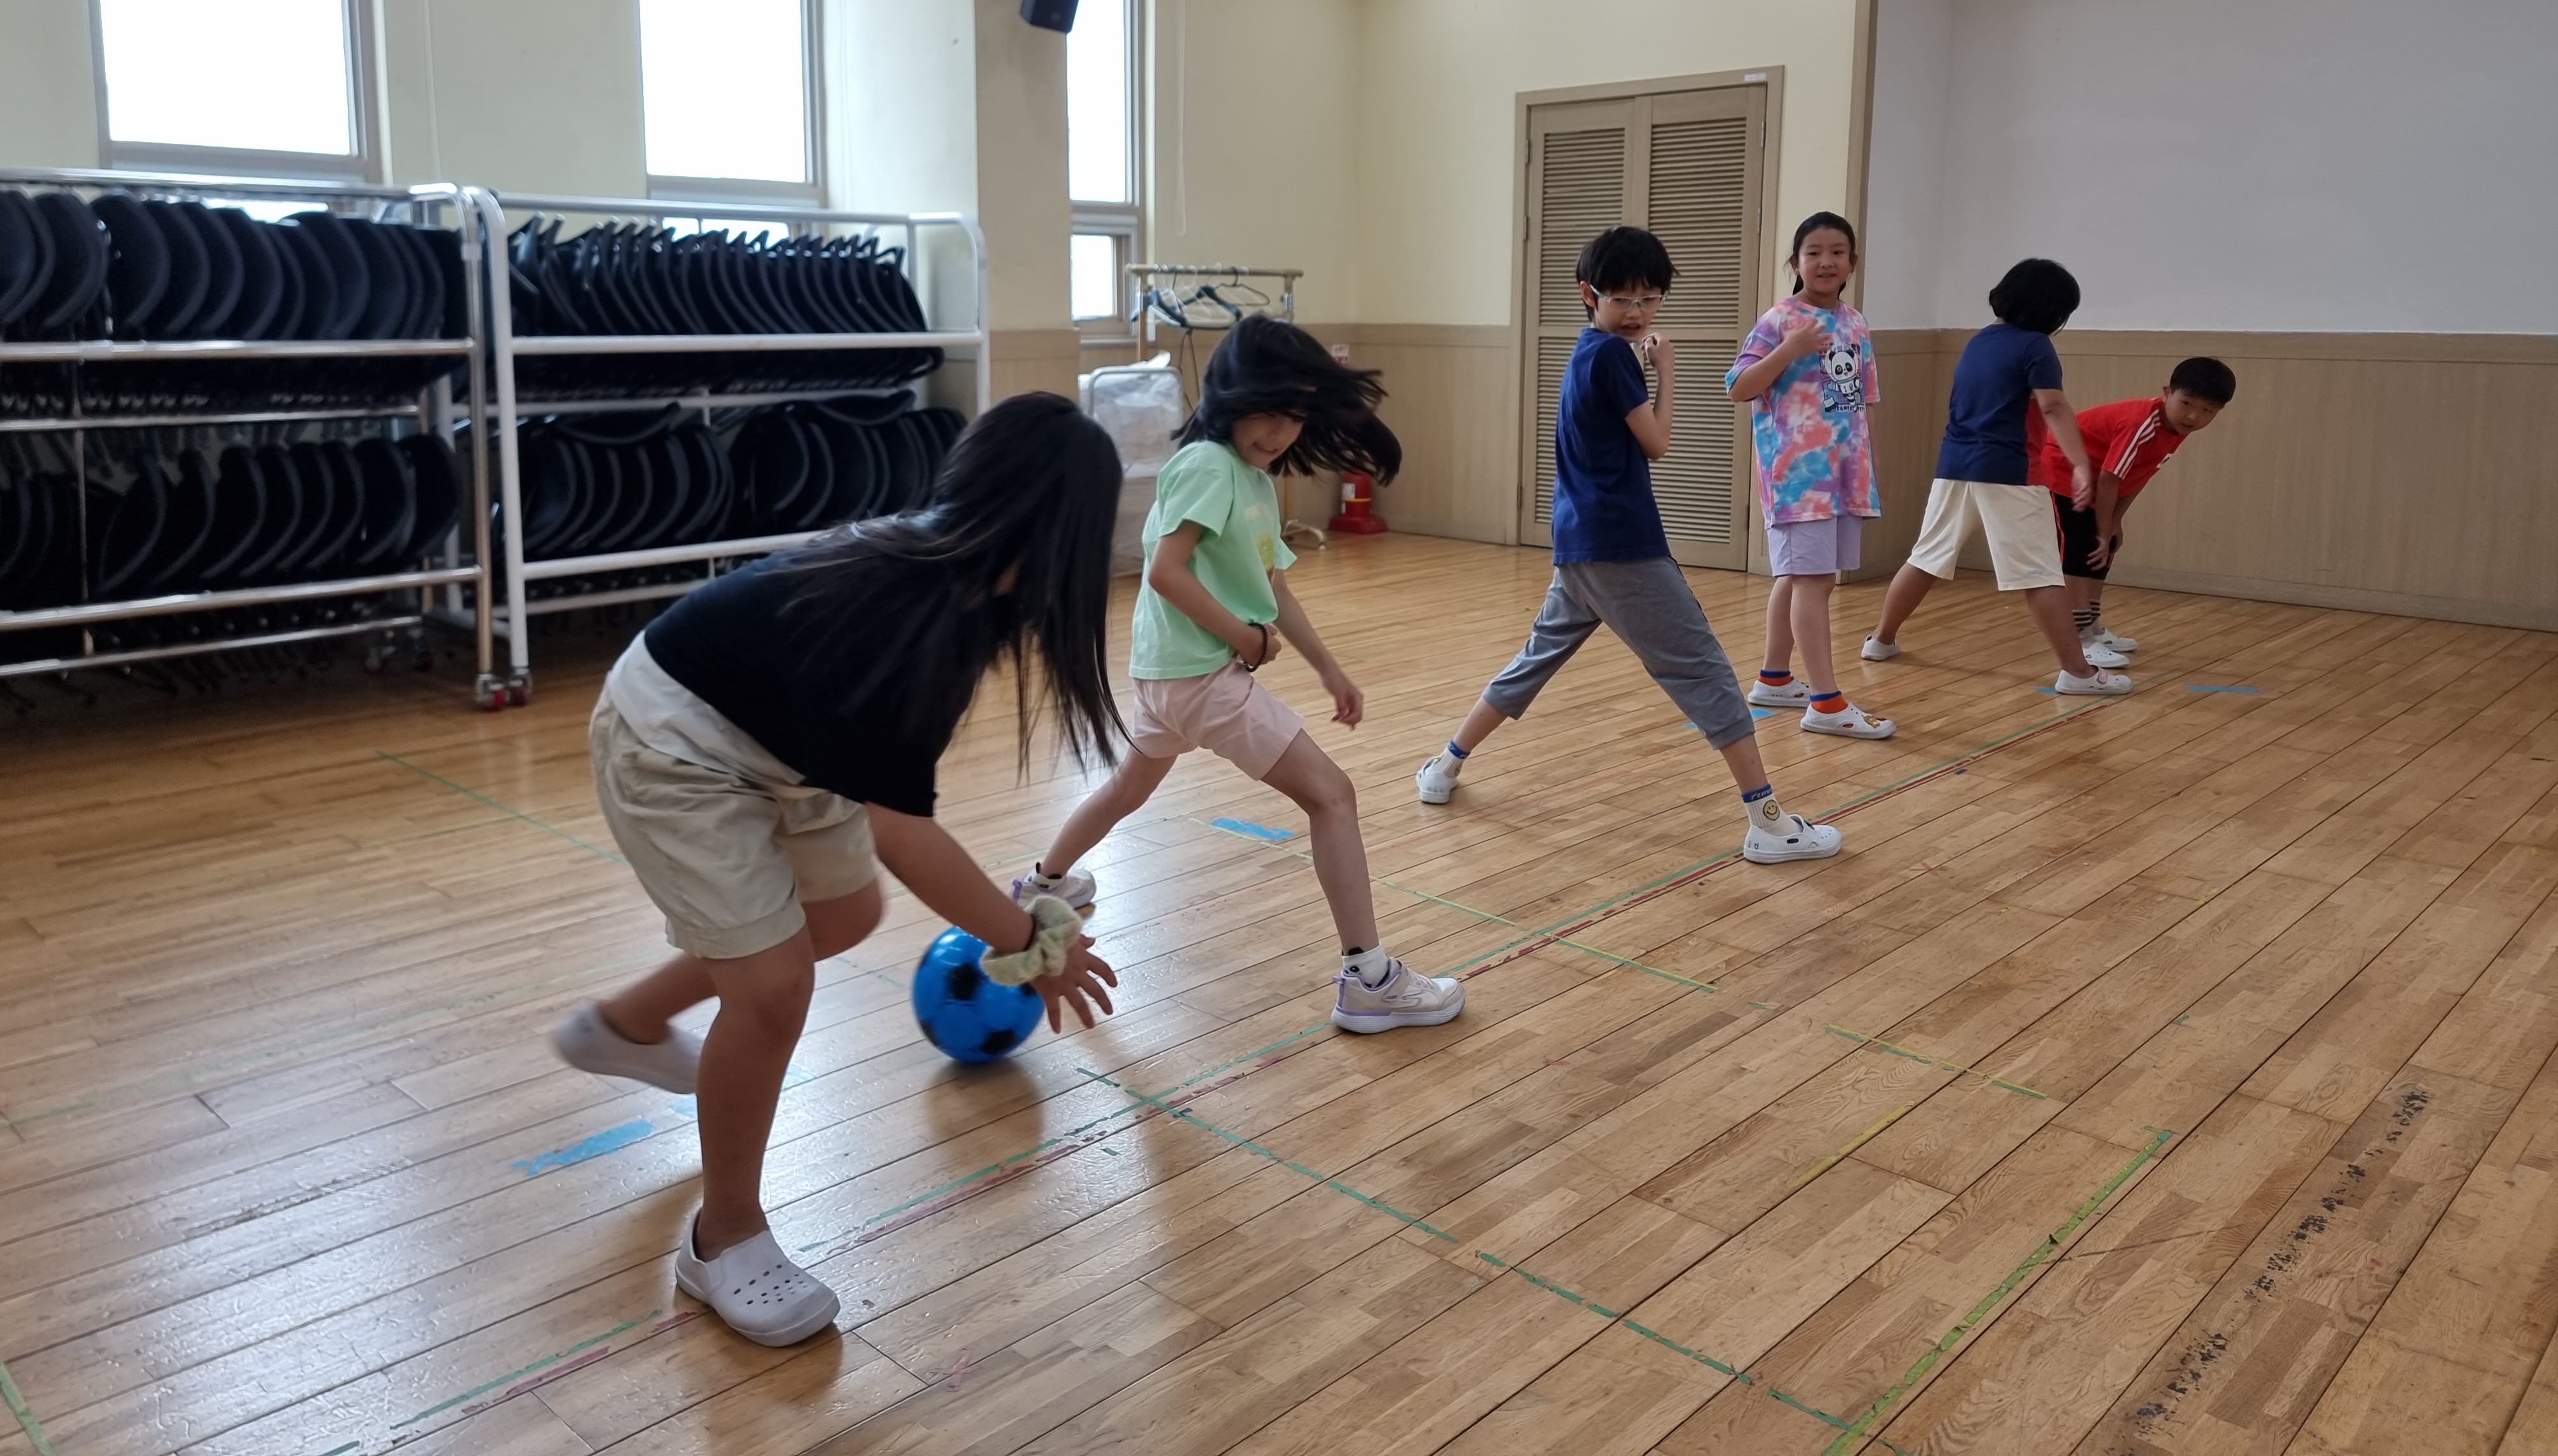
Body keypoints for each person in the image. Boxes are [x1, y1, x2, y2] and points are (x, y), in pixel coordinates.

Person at [550, 394, 1125, 1348]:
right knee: (773, 987)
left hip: (777, 744)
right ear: (1063, 534)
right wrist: (1033, 942)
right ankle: (721, 1240)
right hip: (674, 742)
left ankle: (625, 1024)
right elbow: (905, 834)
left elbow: (889, 807)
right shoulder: (906, 605)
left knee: (846, 913)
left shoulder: (968, 597)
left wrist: (1027, 934)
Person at [1011, 315, 1467, 1035]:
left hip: (1168, 678)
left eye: (1296, 416)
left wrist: (1329, 670)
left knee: (1128, 787)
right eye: (1269, 410)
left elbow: (1272, 586)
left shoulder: (1251, 478)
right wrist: (1245, 639)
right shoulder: (1207, 465)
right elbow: (1165, 572)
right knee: (1333, 797)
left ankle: (1041, 884)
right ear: (1231, 395)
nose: (1281, 431)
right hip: (1200, 679)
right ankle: (1370, 978)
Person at [1416, 226, 1840, 865]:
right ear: (1589, 294)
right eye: (1622, 299)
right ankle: (1770, 823)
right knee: (1704, 671)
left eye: (1649, 298)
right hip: (1622, 547)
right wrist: (1666, 371)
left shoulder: (1585, 351)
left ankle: (1444, 766)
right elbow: (1657, 443)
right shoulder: (1615, 357)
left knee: (1534, 659)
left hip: (1579, 544)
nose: (1637, 312)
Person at [1862, 258, 2131, 695]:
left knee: (1926, 557)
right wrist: (2081, 463)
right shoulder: (2036, 346)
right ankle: (2078, 673)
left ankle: (1881, 640)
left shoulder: (1978, 342)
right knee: (2041, 574)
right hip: (2010, 472)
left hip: (1954, 467)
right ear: (2053, 311)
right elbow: (2053, 406)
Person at [1727, 210, 1893, 739]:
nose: (1826, 262)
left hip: (1844, 477)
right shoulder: (1781, 319)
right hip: (1798, 479)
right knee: (1814, 582)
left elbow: (1863, 401)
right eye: (1814, 252)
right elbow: (1738, 386)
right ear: (1795, 262)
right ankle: (1826, 703)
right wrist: (1790, 349)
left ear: (1853, 262)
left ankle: (1775, 679)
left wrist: (1871, 468)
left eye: (1837, 252)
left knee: (1799, 578)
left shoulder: (1855, 322)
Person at [2035, 357, 2237, 666]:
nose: (2194, 416)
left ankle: (2093, 627)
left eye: (2208, 411)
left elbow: (2138, 476)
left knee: (2105, 548)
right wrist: (2103, 530)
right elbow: (2110, 479)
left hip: (2099, 482)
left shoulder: (2177, 429)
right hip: (2064, 472)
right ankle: (2081, 637)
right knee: (2080, 552)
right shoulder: (2143, 423)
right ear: (2167, 393)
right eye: (2186, 403)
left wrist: (2115, 523)